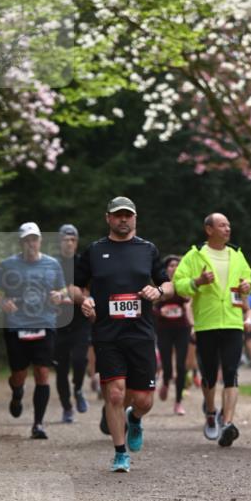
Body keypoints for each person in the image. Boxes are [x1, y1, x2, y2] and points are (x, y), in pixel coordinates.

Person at [75, 196, 173, 473]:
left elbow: (169, 285)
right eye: (118, 215)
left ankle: (136, 418)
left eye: (127, 215)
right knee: (115, 394)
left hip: (140, 332)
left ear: (135, 218)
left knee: (143, 400)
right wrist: (83, 300)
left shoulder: (148, 249)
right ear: (108, 218)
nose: (123, 219)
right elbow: (75, 286)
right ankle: (120, 453)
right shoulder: (95, 251)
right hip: (107, 333)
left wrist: (159, 291)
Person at [173, 213, 251, 447]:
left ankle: (227, 423)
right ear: (209, 229)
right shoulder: (195, 255)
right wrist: (196, 282)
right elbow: (179, 284)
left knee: (231, 372)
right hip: (206, 323)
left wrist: (248, 285)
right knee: (208, 374)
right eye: (222, 225)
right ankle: (210, 412)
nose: (228, 228)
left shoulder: (237, 254)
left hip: (232, 322)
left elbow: (247, 280)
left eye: (229, 224)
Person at [0, 222, 68, 439]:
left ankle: (38, 424)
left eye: (34, 239)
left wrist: (59, 296)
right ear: (21, 242)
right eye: (26, 239)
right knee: (19, 374)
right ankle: (17, 392)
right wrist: (2, 302)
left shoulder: (52, 264)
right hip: (16, 324)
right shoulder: (7, 265)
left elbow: (62, 290)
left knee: (42, 373)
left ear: (40, 241)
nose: (31, 243)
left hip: (45, 322)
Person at [55, 224, 91, 423]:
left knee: (79, 360)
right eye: (65, 239)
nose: (69, 243)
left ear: (77, 242)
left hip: (80, 321)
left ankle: (78, 388)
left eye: (73, 240)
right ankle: (67, 407)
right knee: (60, 368)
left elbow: (88, 290)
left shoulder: (83, 264)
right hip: (58, 322)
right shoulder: (51, 264)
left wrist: (80, 296)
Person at [153, 254, 194, 415]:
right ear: (166, 268)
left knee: (181, 366)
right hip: (164, 329)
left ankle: (178, 402)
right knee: (167, 366)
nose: (174, 268)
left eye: (177, 265)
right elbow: (151, 306)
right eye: (171, 265)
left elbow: (191, 302)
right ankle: (165, 380)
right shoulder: (161, 286)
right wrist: (160, 311)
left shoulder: (184, 285)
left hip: (182, 329)